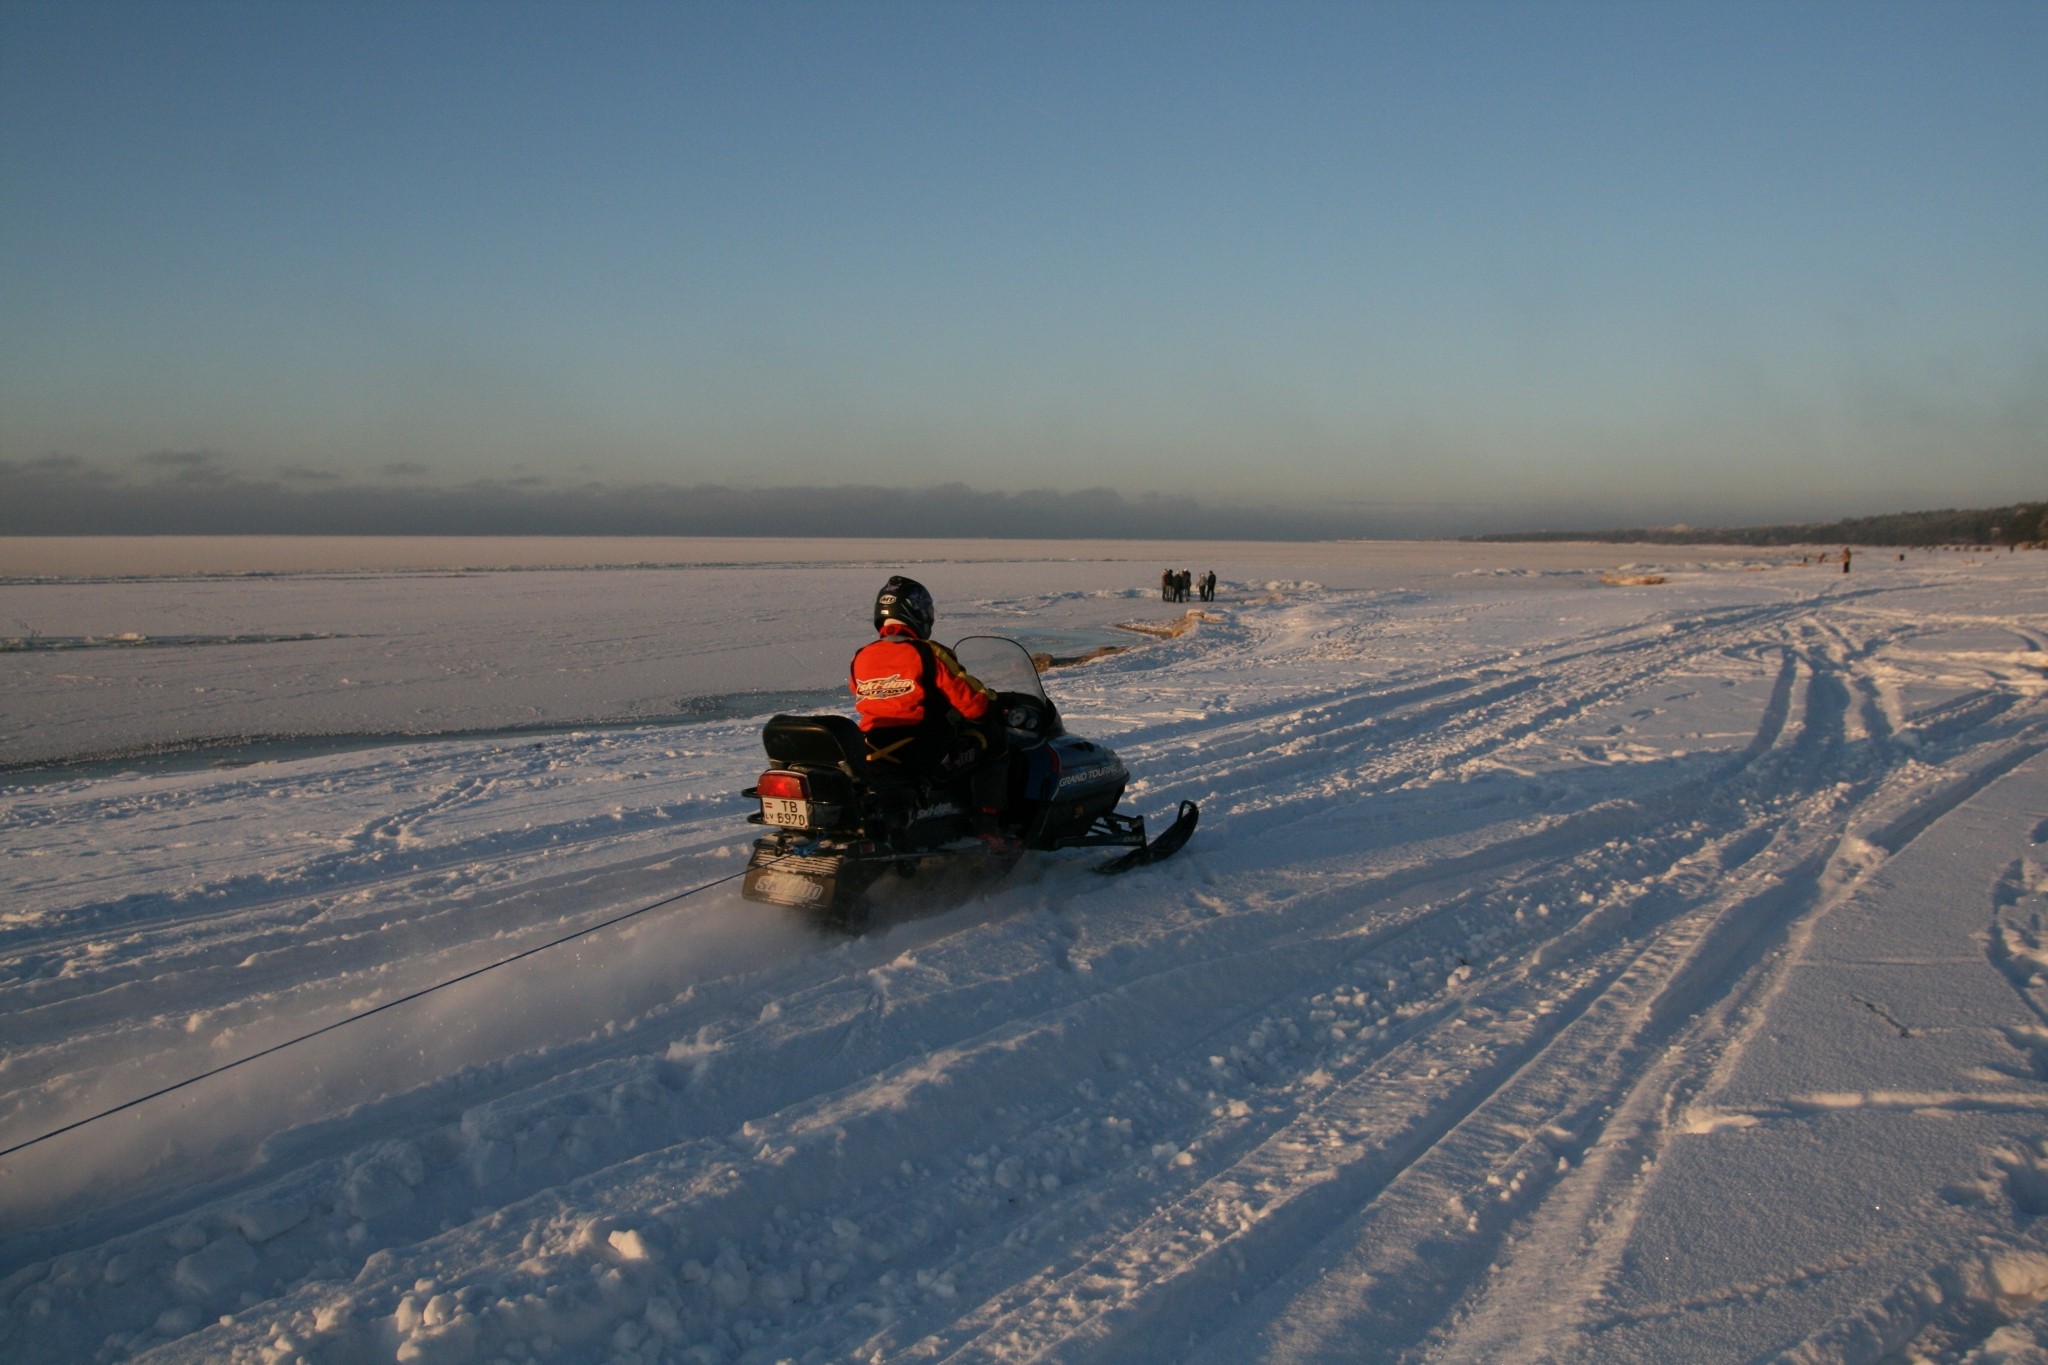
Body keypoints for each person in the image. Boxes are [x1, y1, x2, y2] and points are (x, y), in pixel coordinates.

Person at [849, 575, 1012, 839]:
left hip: (875, 749)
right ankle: (989, 822)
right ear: (916, 612)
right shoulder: (929, 653)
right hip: (924, 752)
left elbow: (860, 692)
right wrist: (995, 702)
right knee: (992, 736)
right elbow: (974, 705)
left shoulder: (861, 656)